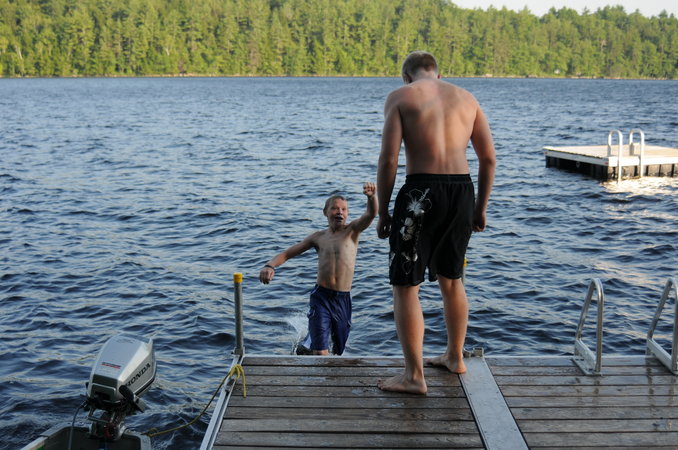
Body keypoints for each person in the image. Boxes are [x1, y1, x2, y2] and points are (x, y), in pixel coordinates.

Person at [375, 51, 496, 394]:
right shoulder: (467, 98)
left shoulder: (400, 96)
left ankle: (414, 376)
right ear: (438, 75)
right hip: (461, 192)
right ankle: (455, 357)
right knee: (452, 279)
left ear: (406, 76)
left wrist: (383, 211)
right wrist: (480, 208)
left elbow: (389, 159)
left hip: (421, 191)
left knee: (405, 285)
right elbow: (488, 159)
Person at [259, 183, 378, 355]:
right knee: (322, 352)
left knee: (338, 350)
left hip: (343, 299)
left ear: (347, 213)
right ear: (325, 212)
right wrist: (270, 265)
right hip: (321, 297)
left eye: (344, 209)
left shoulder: (352, 231)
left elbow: (371, 214)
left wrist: (371, 198)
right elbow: (288, 253)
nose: (339, 212)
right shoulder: (318, 238)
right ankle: (315, 346)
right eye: (335, 208)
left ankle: (307, 345)